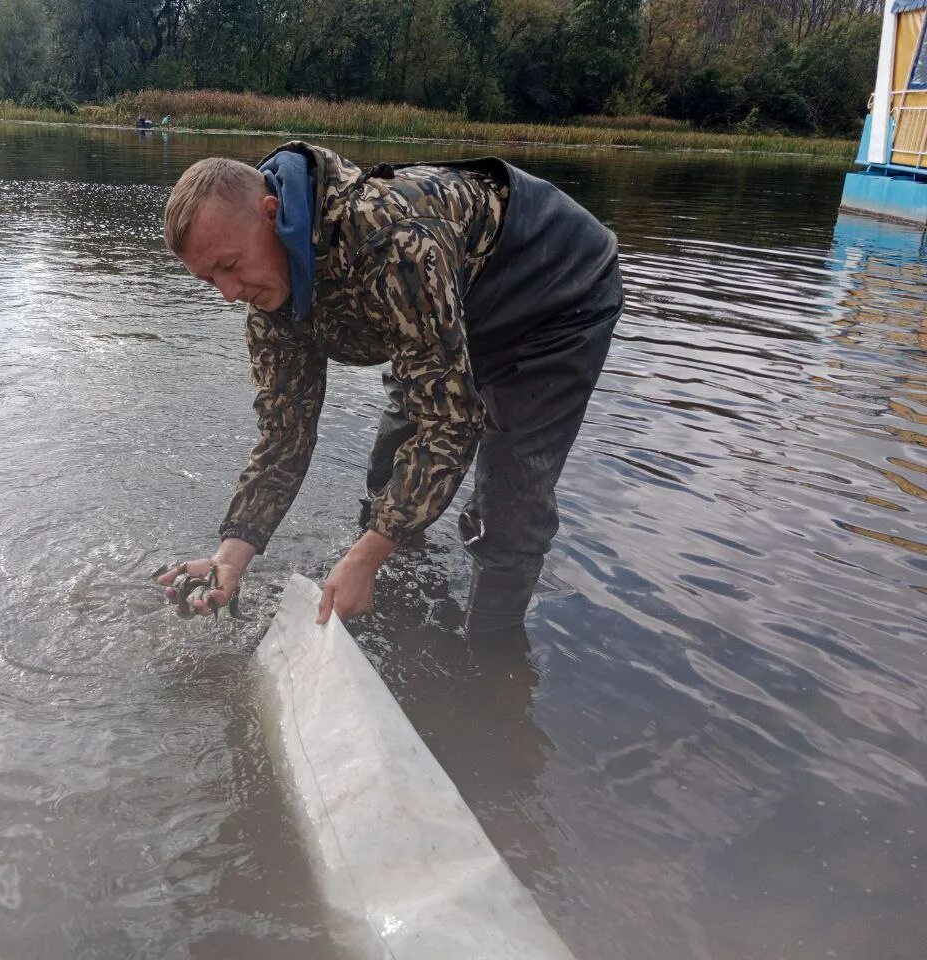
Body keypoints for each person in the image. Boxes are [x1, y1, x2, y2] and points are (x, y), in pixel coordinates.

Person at [156, 141, 622, 632]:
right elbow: (284, 433)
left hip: (553, 297)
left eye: (230, 266)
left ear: (271, 214)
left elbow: (450, 422)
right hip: (443, 304)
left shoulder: (389, 242)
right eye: (210, 281)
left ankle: (490, 658)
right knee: (389, 468)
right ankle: (390, 607)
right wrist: (232, 553)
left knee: (507, 506)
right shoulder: (268, 299)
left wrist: (368, 555)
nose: (229, 293)